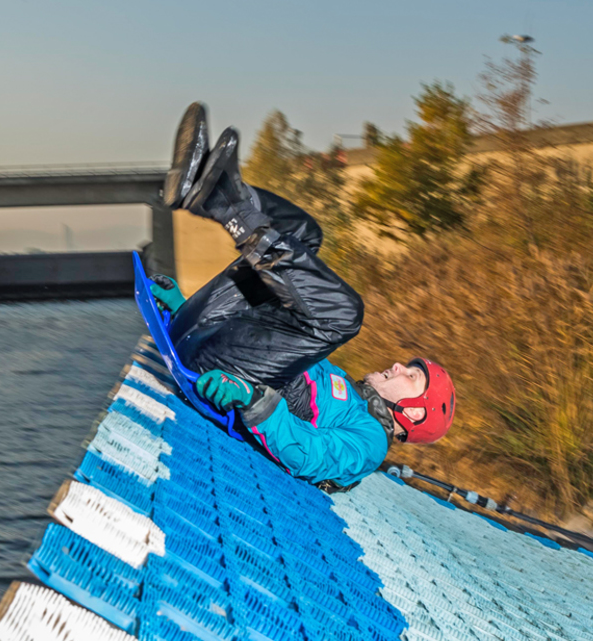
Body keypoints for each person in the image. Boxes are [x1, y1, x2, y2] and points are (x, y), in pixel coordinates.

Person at [151, 102, 455, 491]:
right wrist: (186, 307)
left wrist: (252, 400)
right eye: (408, 365)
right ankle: (205, 190)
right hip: (207, 338)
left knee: (343, 316)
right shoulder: (342, 382)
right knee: (306, 236)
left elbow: (309, 455)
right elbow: (269, 339)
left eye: (411, 376)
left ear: (412, 412)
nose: (398, 365)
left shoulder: (370, 444)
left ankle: (220, 199)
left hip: (224, 379)